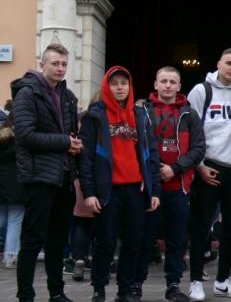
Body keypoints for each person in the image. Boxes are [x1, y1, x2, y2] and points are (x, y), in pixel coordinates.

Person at [78, 66, 161, 302]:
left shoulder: (140, 115)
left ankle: (125, 290)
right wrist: (89, 192)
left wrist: (154, 189)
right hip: (107, 191)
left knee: (133, 243)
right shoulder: (94, 116)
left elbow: (151, 154)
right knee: (104, 243)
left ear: (130, 86)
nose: (120, 88)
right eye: (114, 84)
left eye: (124, 83)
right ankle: (99, 289)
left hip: (136, 190)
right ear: (107, 86)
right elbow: (86, 158)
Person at [12, 43, 81, 302]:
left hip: (64, 177)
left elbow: (70, 133)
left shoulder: (68, 95)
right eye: (55, 63)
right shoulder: (27, 93)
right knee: (32, 241)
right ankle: (25, 295)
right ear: (42, 64)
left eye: (64, 64)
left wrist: (75, 144)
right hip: (39, 177)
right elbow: (25, 135)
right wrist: (65, 142)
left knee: (58, 241)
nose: (60, 68)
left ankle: (57, 293)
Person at [135, 66, 206, 301]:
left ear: (179, 86)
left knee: (177, 241)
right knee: (144, 239)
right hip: (149, 188)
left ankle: (173, 286)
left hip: (179, 188)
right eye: (163, 81)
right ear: (155, 84)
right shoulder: (142, 112)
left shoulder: (190, 114)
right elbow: (136, 145)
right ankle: (136, 285)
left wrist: (174, 168)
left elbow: (199, 148)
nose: (167, 85)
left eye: (172, 82)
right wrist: (154, 171)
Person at [187, 48, 231, 301]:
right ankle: (195, 281)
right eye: (229, 63)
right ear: (219, 63)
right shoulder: (201, 91)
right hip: (208, 167)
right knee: (201, 227)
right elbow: (190, 129)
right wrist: (199, 166)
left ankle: (223, 281)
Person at [0, 109, 25, 269]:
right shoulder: (19, 141)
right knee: (15, 222)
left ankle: (10, 255)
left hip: (1, 186)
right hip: (17, 186)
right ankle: (10, 257)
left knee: (1, 219)